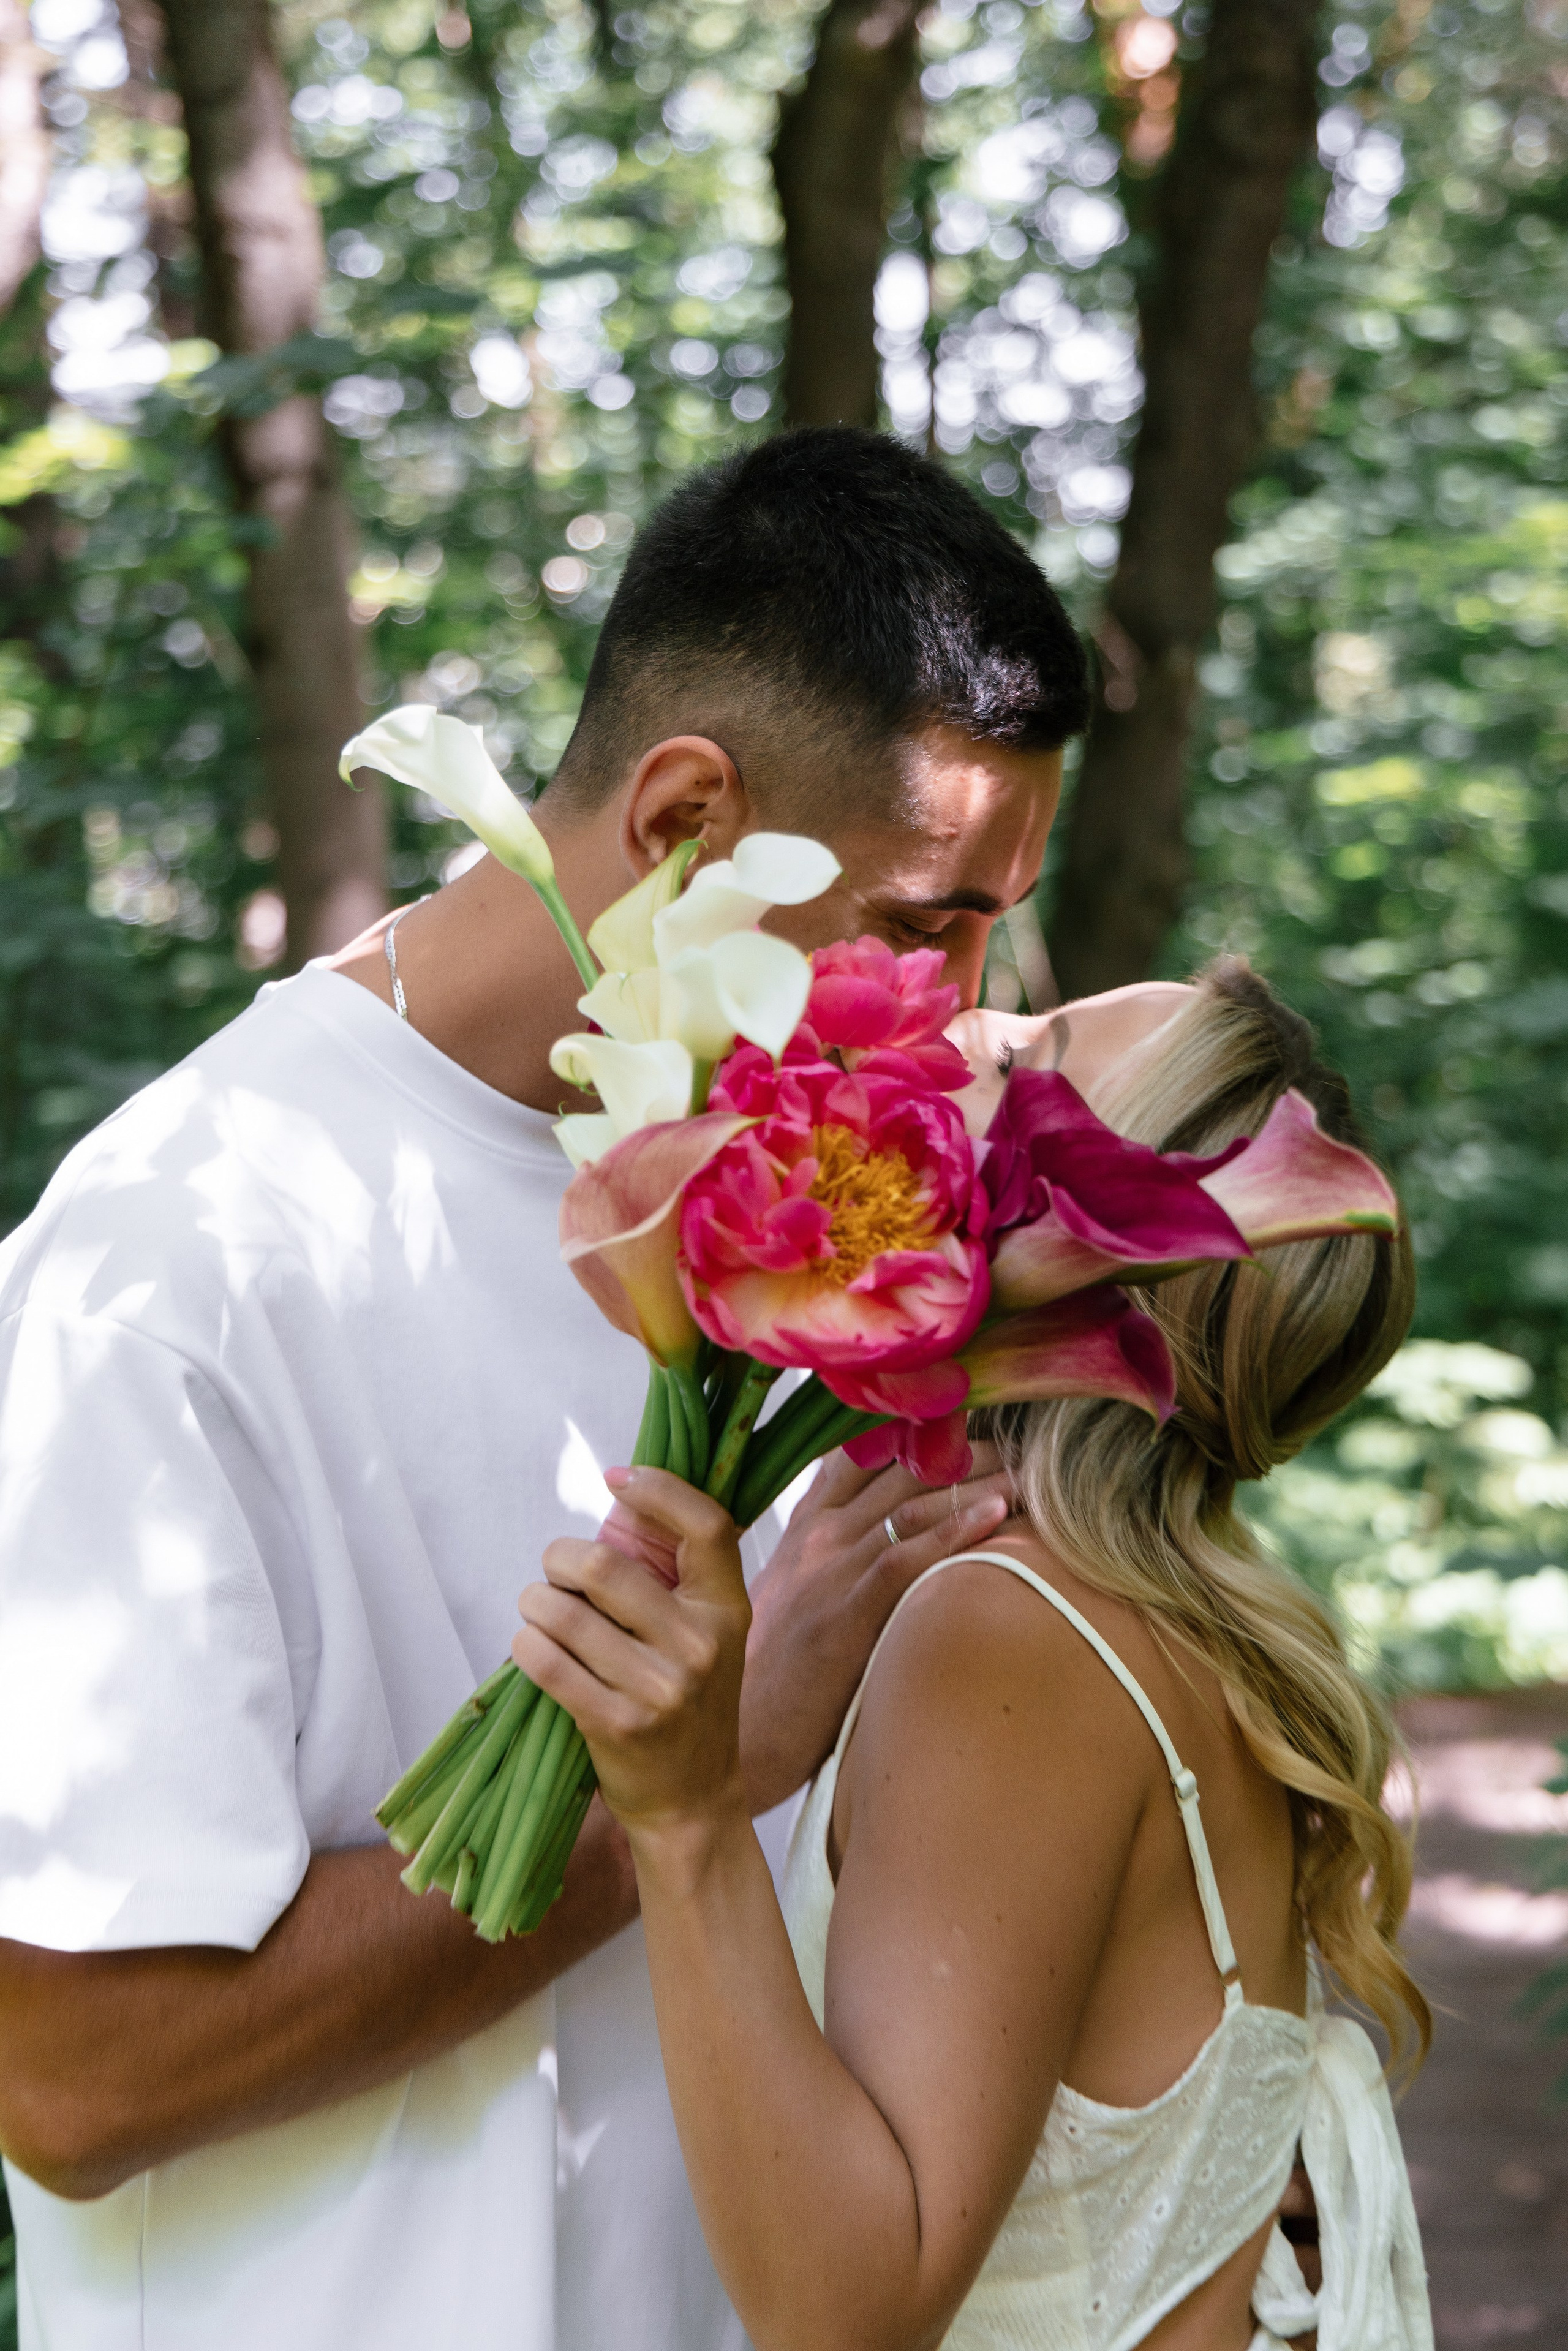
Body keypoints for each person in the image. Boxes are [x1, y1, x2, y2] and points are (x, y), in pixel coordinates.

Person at [0, 428, 1085, 2351]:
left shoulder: (798, 1195)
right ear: (684, 821)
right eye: (924, 919)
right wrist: (694, 1781)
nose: (971, 1000)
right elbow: (72, 2079)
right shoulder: (177, 1262)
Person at [514, 956, 1435, 2351]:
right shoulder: (1156, 1621)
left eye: (1023, 1058)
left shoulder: (1009, 1634)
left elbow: (849, 2312)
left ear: (1093, 1242)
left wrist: (685, 1810)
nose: (964, 1026)